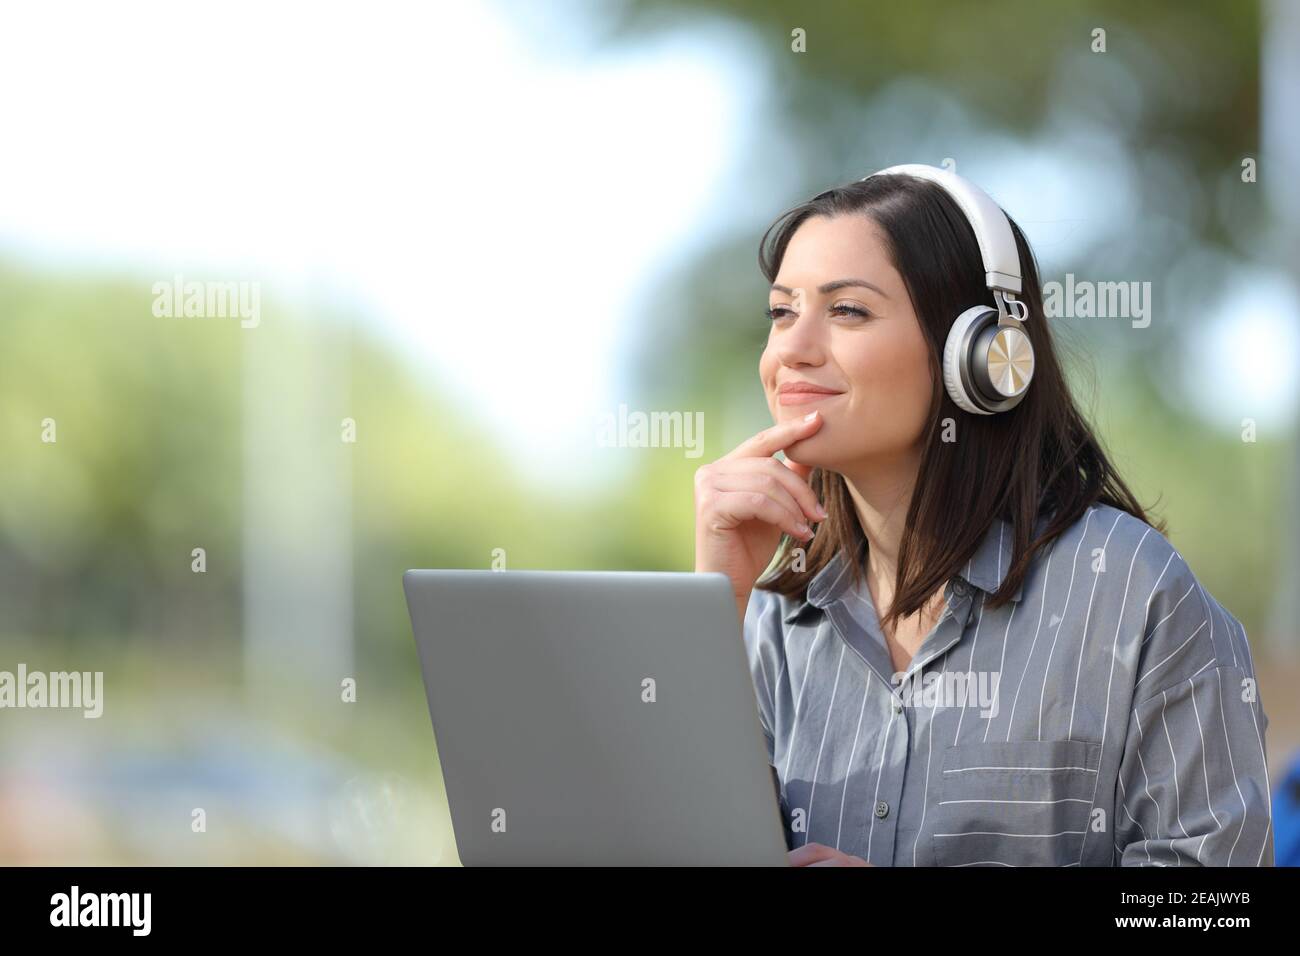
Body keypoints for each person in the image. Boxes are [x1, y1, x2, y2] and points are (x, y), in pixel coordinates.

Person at [693, 166, 1274, 867]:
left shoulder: (1130, 592)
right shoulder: (774, 621)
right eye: (782, 312)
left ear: (982, 355)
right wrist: (712, 607)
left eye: (847, 310)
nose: (790, 348)